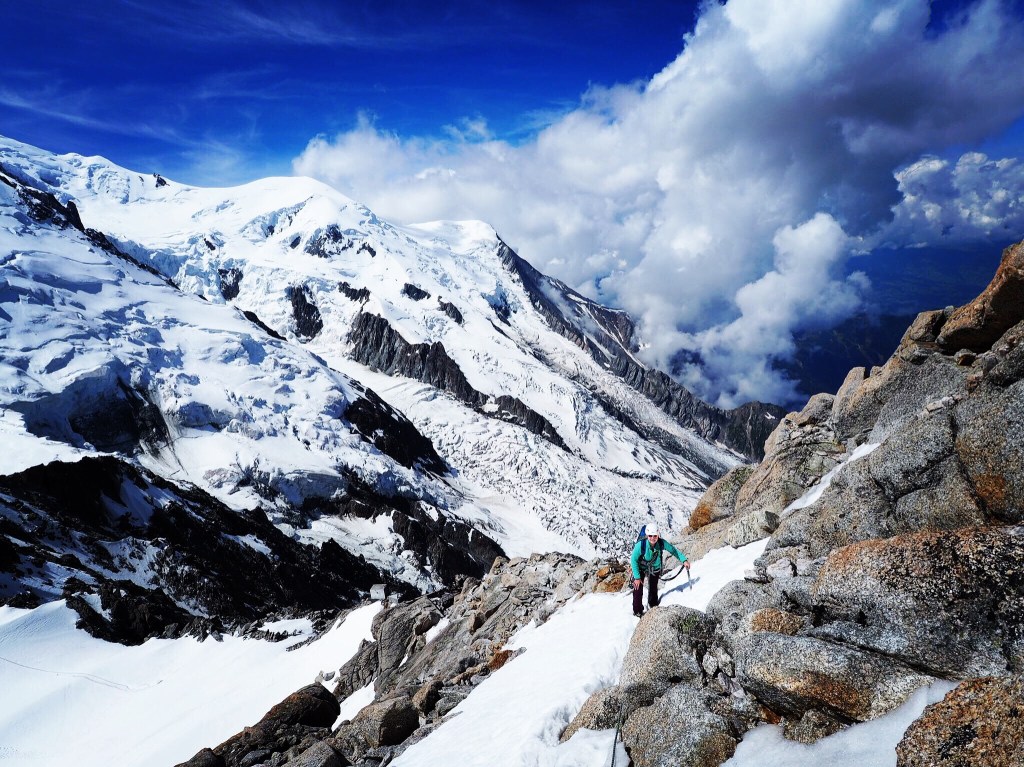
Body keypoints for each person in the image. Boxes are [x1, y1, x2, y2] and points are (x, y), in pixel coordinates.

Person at [630, 525, 689, 617]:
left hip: (655, 568)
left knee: (653, 587)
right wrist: (637, 577)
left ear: (658, 535)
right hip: (640, 568)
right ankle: (637, 611)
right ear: (647, 536)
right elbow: (633, 560)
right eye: (650, 536)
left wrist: (684, 560)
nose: (653, 538)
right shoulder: (640, 546)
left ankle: (653, 605)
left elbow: (673, 550)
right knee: (638, 589)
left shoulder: (662, 543)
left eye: (655, 536)